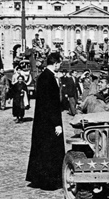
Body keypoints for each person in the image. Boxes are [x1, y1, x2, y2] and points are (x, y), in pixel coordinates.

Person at [26, 52, 65, 190]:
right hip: (49, 121)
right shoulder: (48, 78)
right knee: (50, 150)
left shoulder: (44, 76)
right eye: (60, 63)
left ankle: (40, 179)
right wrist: (57, 123)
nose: (60, 66)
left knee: (42, 150)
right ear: (55, 63)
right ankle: (50, 181)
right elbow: (50, 103)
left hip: (42, 120)